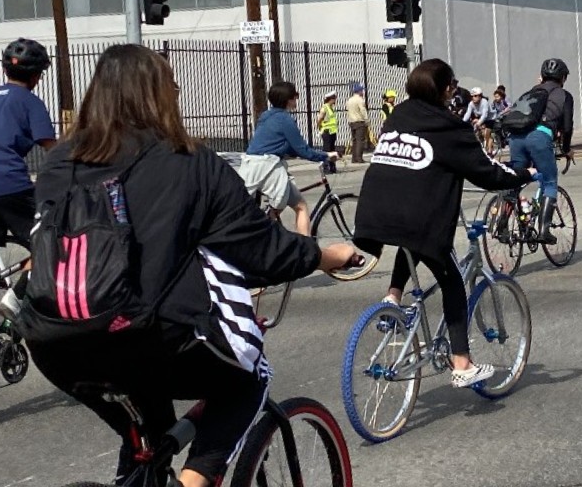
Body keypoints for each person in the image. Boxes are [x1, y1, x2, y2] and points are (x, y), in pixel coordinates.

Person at [26, 44, 359, 487]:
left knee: (146, 436)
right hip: (147, 335)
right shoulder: (189, 160)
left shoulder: (58, 164)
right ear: (161, 95)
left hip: (56, 343)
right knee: (247, 380)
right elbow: (257, 249)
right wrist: (322, 254)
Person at [353, 59, 536, 387]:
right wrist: (525, 173)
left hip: (374, 209)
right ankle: (462, 364)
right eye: (451, 84)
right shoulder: (450, 127)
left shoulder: (398, 115)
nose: (454, 90)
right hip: (417, 217)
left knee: (410, 240)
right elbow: (488, 173)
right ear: (443, 88)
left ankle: (392, 299)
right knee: (451, 281)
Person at [0, 38, 57, 322]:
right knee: (53, 240)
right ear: (36, 76)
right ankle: (15, 298)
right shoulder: (29, 101)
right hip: (10, 186)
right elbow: (52, 147)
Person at [238, 81, 330, 237]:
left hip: (250, 164)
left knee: (287, 200)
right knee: (300, 206)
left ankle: (266, 227)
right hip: (268, 167)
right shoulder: (285, 120)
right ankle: (306, 250)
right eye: (296, 96)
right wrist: (326, 155)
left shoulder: (266, 116)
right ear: (289, 100)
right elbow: (303, 150)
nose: (297, 99)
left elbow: (281, 144)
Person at [507, 58, 576, 244]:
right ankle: (544, 230)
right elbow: (567, 127)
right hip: (540, 138)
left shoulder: (532, 92)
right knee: (550, 181)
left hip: (515, 138)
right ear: (563, 77)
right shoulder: (564, 95)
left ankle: (502, 224)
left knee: (516, 179)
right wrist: (567, 149)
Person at [315, 91, 339, 173]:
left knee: (332, 150)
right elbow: (319, 119)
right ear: (331, 99)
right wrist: (319, 127)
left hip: (332, 132)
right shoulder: (325, 107)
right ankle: (326, 167)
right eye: (334, 98)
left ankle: (332, 167)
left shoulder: (330, 107)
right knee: (327, 150)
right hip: (327, 132)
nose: (335, 100)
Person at [346, 83, 369, 163]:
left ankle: (354, 158)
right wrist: (366, 120)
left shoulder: (349, 100)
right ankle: (359, 158)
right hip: (359, 122)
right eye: (362, 90)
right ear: (359, 91)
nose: (363, 92)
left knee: (354, 140)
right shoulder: (360, 100)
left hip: (351, 122)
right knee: (360, 140)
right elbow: (363, 110)